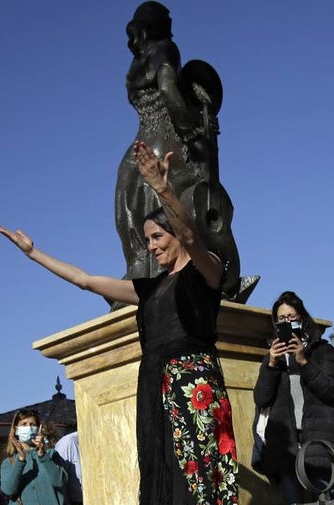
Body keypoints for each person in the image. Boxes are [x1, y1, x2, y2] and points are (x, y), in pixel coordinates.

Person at [0, 138, 259, 505]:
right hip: (156, 398)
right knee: (165, 495)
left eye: (157, 236)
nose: (153, 246)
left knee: (202, 491)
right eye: (148, 240)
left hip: (193, 392)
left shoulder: (206, 275)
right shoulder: (146, 290)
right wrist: (35, 254)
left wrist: (163, 188)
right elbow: (88, 281)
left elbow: (194, 237)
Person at [115, 1, 241, 300]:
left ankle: (143, 276)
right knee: (156, 213)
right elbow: (170, 90)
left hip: (140, 147)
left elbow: (167, 90)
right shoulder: (164, 50)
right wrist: (194, 132)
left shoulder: (143, 60)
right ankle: (158, 275)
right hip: (164, 141)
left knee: (131, 215)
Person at [252, 291, 334, 505]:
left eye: (291, 317)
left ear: (302, 319)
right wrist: (271, 365)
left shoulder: (323, 351)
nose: (286, 322)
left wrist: (304, 361)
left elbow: (331, 391)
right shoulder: (271, 359)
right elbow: (261, 398)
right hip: (285, 448)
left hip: (320, 443)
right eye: (282, 319)